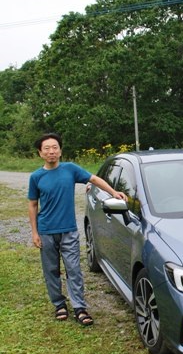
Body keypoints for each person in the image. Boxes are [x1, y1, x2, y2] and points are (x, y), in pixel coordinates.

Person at [28, 133, 127, 326]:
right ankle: (59, 305)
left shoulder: (70, 169)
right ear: (40, 153)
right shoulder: (36, 177)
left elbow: (94, 179)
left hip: (69, 230)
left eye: (55, 147)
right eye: (46, 148)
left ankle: (79, 308)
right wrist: (34, 232)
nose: (51, 151)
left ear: (60, 151)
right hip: (46, 231)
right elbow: (32, 205)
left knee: (73, 269)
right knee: (51, 269)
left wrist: (113, 192)